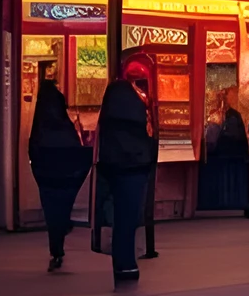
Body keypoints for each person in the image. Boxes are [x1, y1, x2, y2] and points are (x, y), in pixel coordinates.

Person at [28, 67, 92, 273]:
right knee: (62, 210)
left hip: (46, 177)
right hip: (67, 177)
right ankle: (61, 233)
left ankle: (56, 249)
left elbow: (33, 152)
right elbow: (76, 152)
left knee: (51, 214)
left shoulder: (38, 127)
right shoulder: (65, 125)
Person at [97, 72, 157, 283]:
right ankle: (128, 264)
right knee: (130, 218)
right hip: (135, 169)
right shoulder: (137, 120)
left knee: (118, 217)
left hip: (114, 168)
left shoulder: (110, 117)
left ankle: (121, 263)